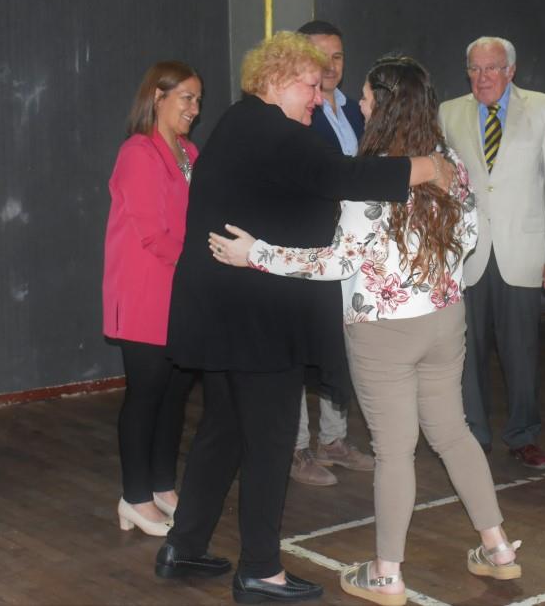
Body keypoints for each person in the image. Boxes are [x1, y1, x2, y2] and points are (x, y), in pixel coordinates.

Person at [209, 55, 521, 606]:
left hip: (384, 332)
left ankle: (386, 575)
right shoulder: (449, 162)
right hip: (446, 321)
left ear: (387, 105)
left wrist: (254, 253)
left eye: (368, 98)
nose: (360, 104)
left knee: (395, 451)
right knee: (452, 433)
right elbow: (469, 236)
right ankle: (498, 549)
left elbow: (335, 262)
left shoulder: (368, 178)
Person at [155, 33, 445, 604]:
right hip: (257, 318)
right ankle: (260, 569)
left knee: (224, 430)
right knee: (267, 441)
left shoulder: (240, 124)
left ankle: (184, 544)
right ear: (277, 79)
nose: (318, 97)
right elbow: (344, 178)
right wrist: (428, 165)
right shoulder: (274, 130)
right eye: (311, 85)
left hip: (222, 311)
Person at [438, 36, 545, 469]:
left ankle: (523, 434)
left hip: (524, 251)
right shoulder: (448, 112)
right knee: (465, 354)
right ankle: (473, 435)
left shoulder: (544, 109)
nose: (482, 77)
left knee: (521, 353)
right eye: (474, 69)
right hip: (467, 255)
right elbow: (445, 188)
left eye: (492, 68)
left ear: (511, 70)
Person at [102, 61, 201, 537]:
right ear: (157, 97)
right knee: (145, 396)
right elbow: (150, 232)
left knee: (175, 392)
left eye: (198, 100)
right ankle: (134, 496)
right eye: (186, 97)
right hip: (145, 292)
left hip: (180, 291)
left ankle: (162, 485)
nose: (194, 109)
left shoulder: (189, 153)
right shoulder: (137, 153)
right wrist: (197, 266)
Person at [286, 19, 373, 486]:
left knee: (344, 343)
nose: (331, 66)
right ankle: (297, 448)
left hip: (351, 249)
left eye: (338, 56)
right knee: (303, 347)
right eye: (321, 56)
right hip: (308, 247)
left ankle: (333, 440)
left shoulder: (354, 110)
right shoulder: (295, 112)